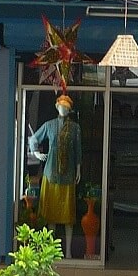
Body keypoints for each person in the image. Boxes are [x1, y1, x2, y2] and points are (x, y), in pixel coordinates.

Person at [28, 94, 82, 258]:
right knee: (51, 215)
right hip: (51, 173)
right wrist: (36, 154)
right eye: (61, 106)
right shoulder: (49, 126)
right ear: (57, 107)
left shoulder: (74, 128)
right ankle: (50, 251)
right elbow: (33, 139)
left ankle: (69, 252)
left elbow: (78, 151)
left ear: (70, 109)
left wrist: (78, 169)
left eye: (66, 107)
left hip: (68, 175)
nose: (63, 109)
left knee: (68, 216)